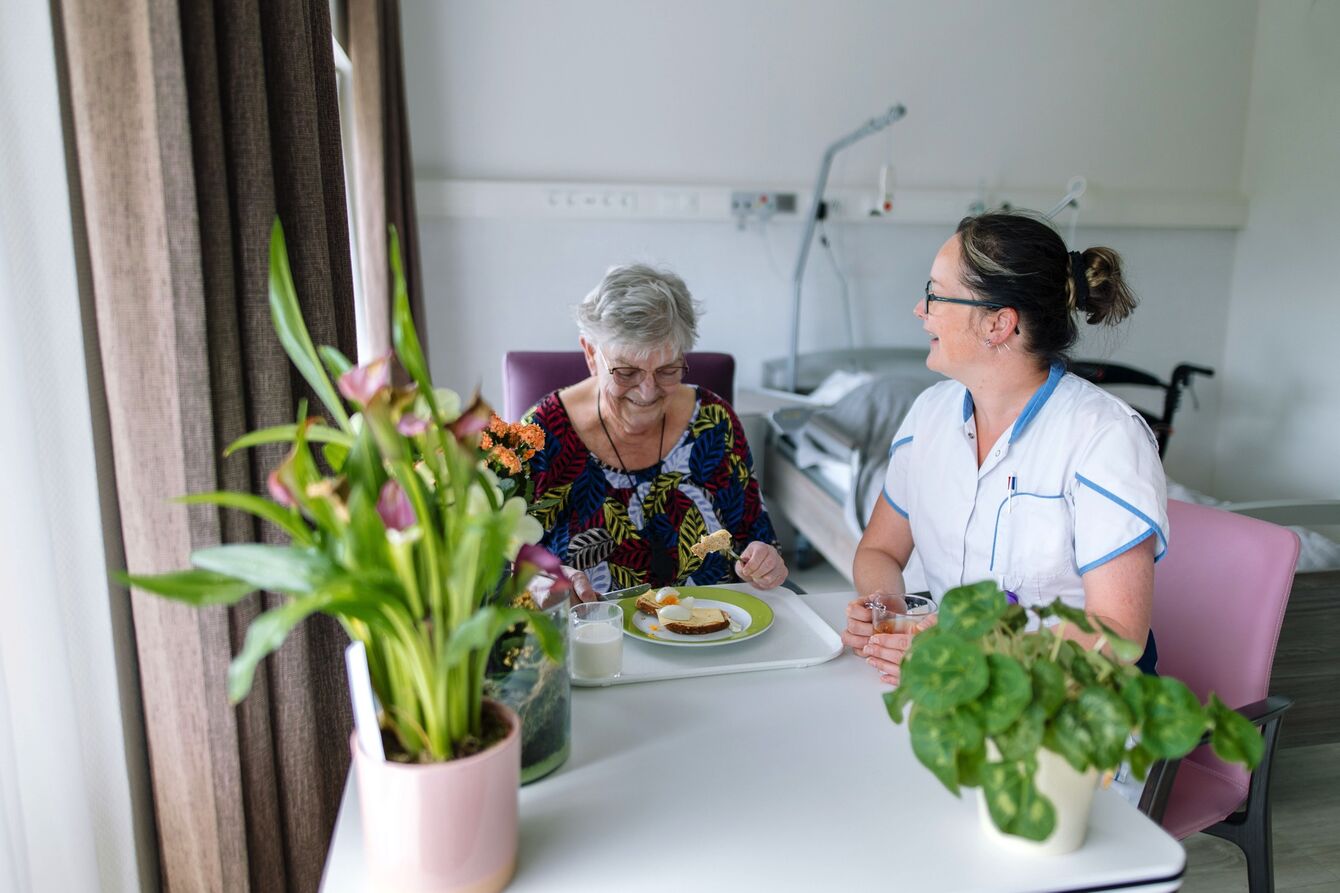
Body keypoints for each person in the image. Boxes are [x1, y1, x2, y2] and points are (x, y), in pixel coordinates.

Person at [843, 212, 1167, 684]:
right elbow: (879, 551)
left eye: (936, 294)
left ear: (998, 324)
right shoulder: (929, 415)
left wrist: (976, 653)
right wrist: (887, 610)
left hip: (1076, 702)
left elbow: (1117, 634)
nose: (920, 309)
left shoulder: (1105, 437)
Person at [523, 263, 788, 601]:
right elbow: (497, 566)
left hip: (712, 626)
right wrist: (540, 582)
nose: (647, 392)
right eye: (626, 372)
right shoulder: (539, 435)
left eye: (667, 370)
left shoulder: (713, 421)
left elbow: (755, 538)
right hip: (596, 630)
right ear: (591, 354)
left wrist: (764, 562)